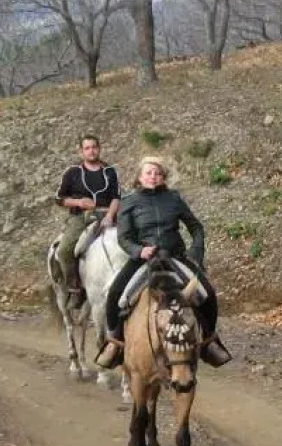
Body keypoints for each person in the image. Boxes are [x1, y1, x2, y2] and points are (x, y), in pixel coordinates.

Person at [96, 157, 231, 369]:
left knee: (208, 294)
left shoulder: (174, 199)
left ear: (163, 177)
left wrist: (196, 251)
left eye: (158, 173)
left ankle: (209, 342)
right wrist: (139, 251)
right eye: (148, 173)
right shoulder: (129, 202)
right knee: (115, 294)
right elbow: (124, 237)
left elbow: (196, 227)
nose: (153, 177)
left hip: (175, 256)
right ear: (139, 177)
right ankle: (115, 342)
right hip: (143, 259)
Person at [54, 134, 122, 308]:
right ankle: (74, 287)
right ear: (81, 152)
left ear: (99, 149)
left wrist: (109, 216)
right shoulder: (72, 172)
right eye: (87, 148)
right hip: (81, 216)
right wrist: (79, 202)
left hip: (107, 214)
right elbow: (59, 198)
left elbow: (116, 197)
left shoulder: (110, 171)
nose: (91, 151)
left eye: (94, 147)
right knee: (64, 250)